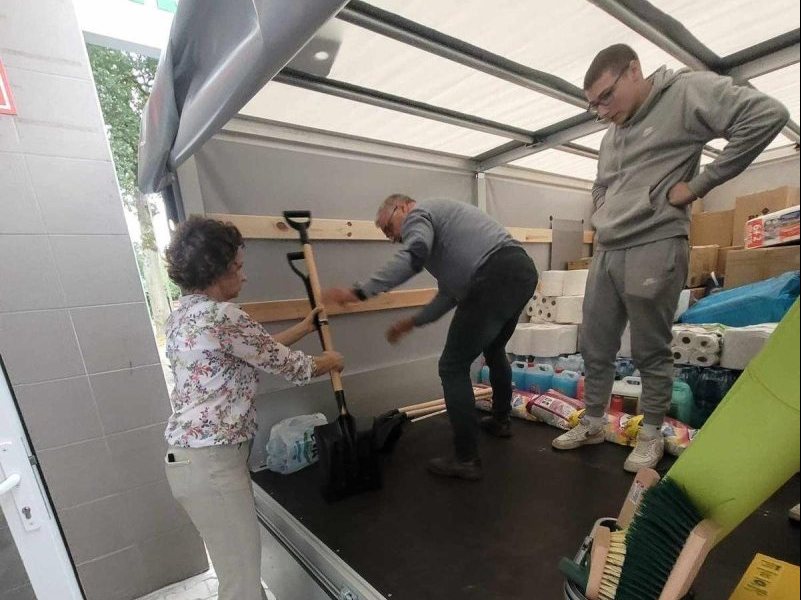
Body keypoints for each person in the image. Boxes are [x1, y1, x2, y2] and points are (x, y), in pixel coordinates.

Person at [552, 44, 790, 472]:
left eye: (606, 96)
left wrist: (698, 185)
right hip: (608, 250)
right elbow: (600, 184)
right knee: (595, 344)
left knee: (650, 350)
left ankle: (650, 434)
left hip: (655, 242)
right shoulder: (610, 135)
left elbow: (767, 115)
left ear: (634, 71)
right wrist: (604, 212)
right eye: (593, 105)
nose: (602, 111)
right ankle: (592, 422)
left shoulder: (684, 93)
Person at [162, 216, 344, 600]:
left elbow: (256, 351)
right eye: (237, 267)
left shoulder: (181, 318)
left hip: (187, 463)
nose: (244, 276)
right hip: (214, 464)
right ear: (215, 269)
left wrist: (304, 327)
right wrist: (330, 361)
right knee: (241, 584)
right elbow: (291, 366)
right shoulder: (224, 316)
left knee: (237, 574)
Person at [323, 195, 538, 481]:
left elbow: (413, 256)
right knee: (494, 347)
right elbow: (449, 295)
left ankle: (466, 459)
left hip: (495, 275)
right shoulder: (446, 243)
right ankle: (501, 420)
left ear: (403, 207)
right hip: (521, 271)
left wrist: (360, 292)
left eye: (387, 227)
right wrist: (412, 322)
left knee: (451, 367)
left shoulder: (420, 213)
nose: (390, 237)